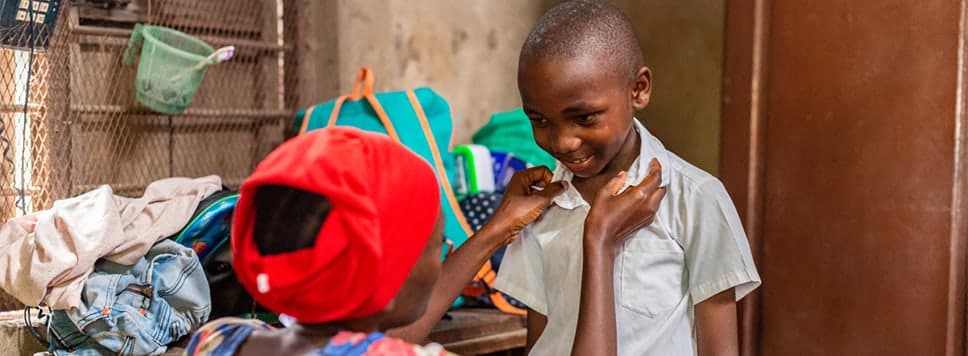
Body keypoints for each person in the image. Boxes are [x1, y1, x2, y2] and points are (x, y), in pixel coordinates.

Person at [492, 1, 763, 355]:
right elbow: (541, 337)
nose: (561, 141)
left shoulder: (695, 198)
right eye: (540, 120)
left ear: (638, 89)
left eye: (585, 118)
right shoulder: (538, 204)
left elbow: (719, 347)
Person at [184, 127, 579, 355]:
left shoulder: (219, 340)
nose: (444, 253)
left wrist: (494, 231)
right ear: (385, 282)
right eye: (438, 245)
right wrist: (598, 244)